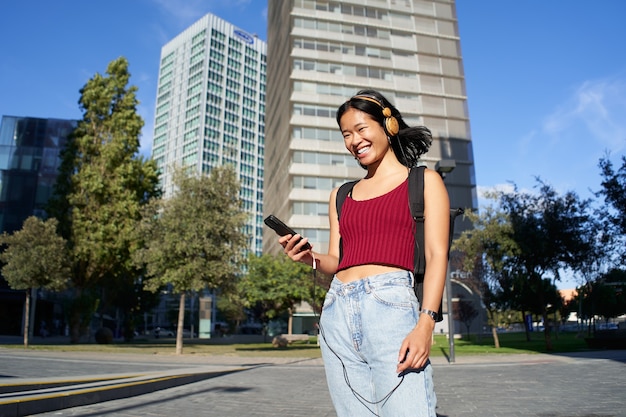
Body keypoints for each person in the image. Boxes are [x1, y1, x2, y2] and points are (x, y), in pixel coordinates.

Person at [278, 89, 450, 417]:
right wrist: (307, 256)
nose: (354, 140)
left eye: (361, 129)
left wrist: (425, 324)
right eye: (346, 134)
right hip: (337, 311)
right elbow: (336, 260)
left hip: (392, 307)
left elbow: (437, 253)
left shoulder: (424, 181)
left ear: (389, 125)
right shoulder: (341, 195)